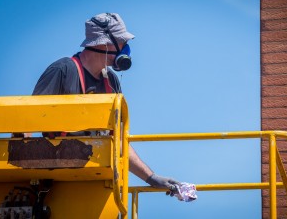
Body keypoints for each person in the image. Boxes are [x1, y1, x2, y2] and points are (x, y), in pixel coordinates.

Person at [32, 12, 180, 193]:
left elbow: (118, 140)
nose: (126, 48)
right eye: (121, 42)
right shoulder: (62, 70)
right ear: (104, 43)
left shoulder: (111, 80)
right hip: (57, 179)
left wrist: (151, 177)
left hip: (100, 180)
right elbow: (28, 122)